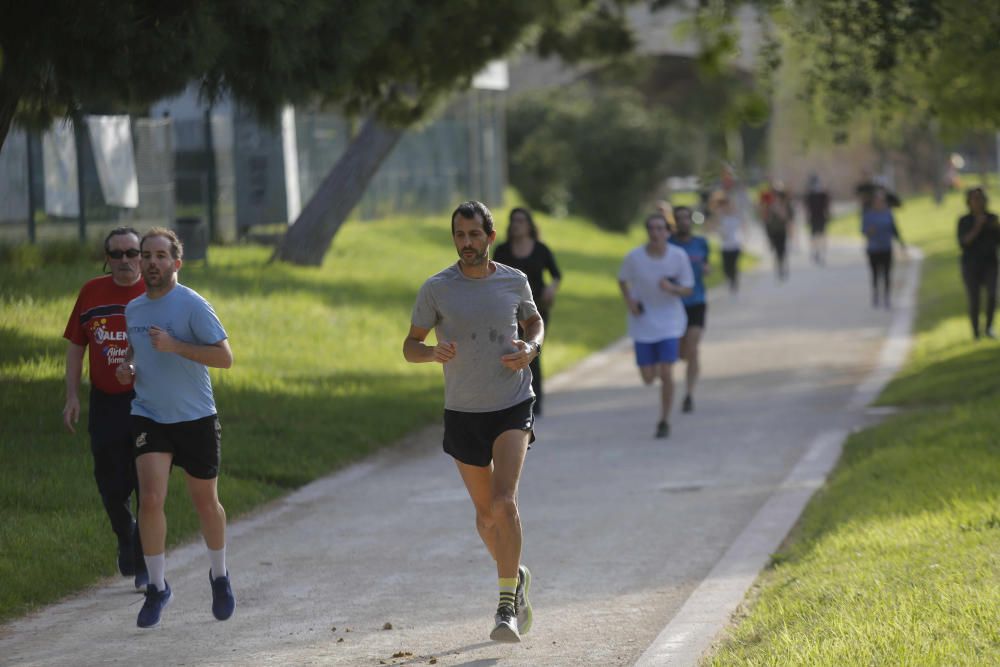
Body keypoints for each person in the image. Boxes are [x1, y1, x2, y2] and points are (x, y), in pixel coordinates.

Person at [403, 201, 542, 643]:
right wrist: (430, 353)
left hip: (511, 401)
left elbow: (533, 321)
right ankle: (515, 574)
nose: (467, 243)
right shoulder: (437, 288)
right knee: (485, 518)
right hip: (463, 411)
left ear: (490, 237)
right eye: (460, 235)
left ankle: (505, 608)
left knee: (504, 502)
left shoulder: (513, 280)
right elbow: (411, 345)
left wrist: (531, 348)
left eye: (474, 235)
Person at [117, 227, 235, 628]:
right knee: (150, 499)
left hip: (196, 417)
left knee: (206, 503)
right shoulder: (133, 309)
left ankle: (219, 576)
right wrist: (130, 366)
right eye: (145, 256)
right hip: (149, 413)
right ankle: (156, 586)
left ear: (176, 263)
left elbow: (224, 358)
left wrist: (176, 346)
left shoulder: (193, 305)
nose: (150, 263)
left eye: (160, 256)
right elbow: (137, 351)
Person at [63, 227, 149, 589]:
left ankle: (145, 561)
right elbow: (75, 346)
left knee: (148, 482)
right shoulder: (91, 293)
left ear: (142, 257)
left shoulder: (157, 293)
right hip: (105, 402)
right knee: (109, 482)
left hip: (148, 402)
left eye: (132, 253)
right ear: (107, 259)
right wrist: (72, 396)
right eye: (117, 254)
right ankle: (125, 534)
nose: (125, 260)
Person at [618, 213, 695, 439]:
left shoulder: (678, 256)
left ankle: (664, 420)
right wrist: (630, 301)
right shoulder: (634, 257)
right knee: (649, 377)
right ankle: (658, 382)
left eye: (661, 228)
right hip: (642, 322)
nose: (656, 233)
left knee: (666, 371)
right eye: (652, 228)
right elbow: (622, 280)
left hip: (670, 321)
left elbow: (689, 288)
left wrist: (672, 288)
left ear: (668, 232)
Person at [493, 207, 562, 416]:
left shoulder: (541, 249)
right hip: (509, 310)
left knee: (533, 352)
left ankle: (535, 400)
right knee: (510, 353)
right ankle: (510, 400)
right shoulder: (502, 250)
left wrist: (551, 288)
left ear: (530, 225)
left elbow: (557, 275)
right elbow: (493, 277)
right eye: (513, 220)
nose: (517, 224)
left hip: (537, 309)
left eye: (521, 220)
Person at [668, 206, 709, 414]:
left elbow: (706, 265)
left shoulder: (701, 243)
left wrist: (706, 269)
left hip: (697, 301)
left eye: (687, 218)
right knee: (682, 353)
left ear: (692, 221)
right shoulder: (669, 245)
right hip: (675, 304)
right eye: (679, 218)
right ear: (675, 221)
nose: (684, 221)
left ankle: (689, 393)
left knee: (693, 346)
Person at [956, 187, 1000, 339]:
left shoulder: (992, 218)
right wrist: (977, 226)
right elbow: (963, 243)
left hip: (990, 264)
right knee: (974, 299)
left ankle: (989, 328)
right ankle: (975, 332)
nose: (978, 202)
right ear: (969, 202)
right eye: (975, 199)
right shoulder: (964, 221)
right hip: (970, 265)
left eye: (980, 199)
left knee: (992, 295)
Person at [861, 189, 906, 309]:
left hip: (886, 247)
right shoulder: (868, 215)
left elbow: (894, 229)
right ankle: (876, 294)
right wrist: (869, 231)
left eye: (881, 201)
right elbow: (864, 231)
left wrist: (901, 243)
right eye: (877, 201)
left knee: (886, 274)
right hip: (873, 249)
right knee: (875, 274)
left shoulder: (888, 213)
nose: (879, 203)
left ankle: (887, 297)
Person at [759, 182, 794, 280]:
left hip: (782, 231)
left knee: (781, 250)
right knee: (775, 250)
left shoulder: (785, 204)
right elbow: (764, 219)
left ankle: (781, 266)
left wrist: (779, 210)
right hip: (772, 231)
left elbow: (788, 218)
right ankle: (779, 265)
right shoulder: (768, 204)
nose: (776, 196)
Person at [714, 194, 744, 293]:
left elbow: (742, 226)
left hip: (735, 245)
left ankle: (734, 282)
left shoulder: (735, 216)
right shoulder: (720, 217)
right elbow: (714, 226)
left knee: (734, 265)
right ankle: (730, 279)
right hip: (725, 246)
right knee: (726, 267)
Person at [804, 173, 831, 265]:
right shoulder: (810, 194)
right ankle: (816, 252)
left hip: (820, 216)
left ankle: (820, 252)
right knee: (815, 236)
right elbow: (807, 207)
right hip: (815, 216)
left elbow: (827, 205)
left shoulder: (822, 194)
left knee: (820, 235)